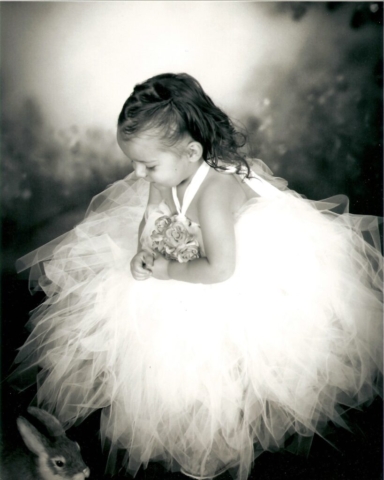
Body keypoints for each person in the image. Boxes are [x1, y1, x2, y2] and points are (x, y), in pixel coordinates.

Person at [11, 73, 383, 480]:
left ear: (190, 153)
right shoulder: (163, 176)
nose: (137, 174)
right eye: (133, 162)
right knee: (161, 342)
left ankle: (224, 426)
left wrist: (169, 269)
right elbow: (152, 216)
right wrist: (144, 251)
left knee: (226, 352)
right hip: (190, 256)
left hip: (234, 269)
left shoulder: (215, 192)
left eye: (147, 164)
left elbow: (222, 269)